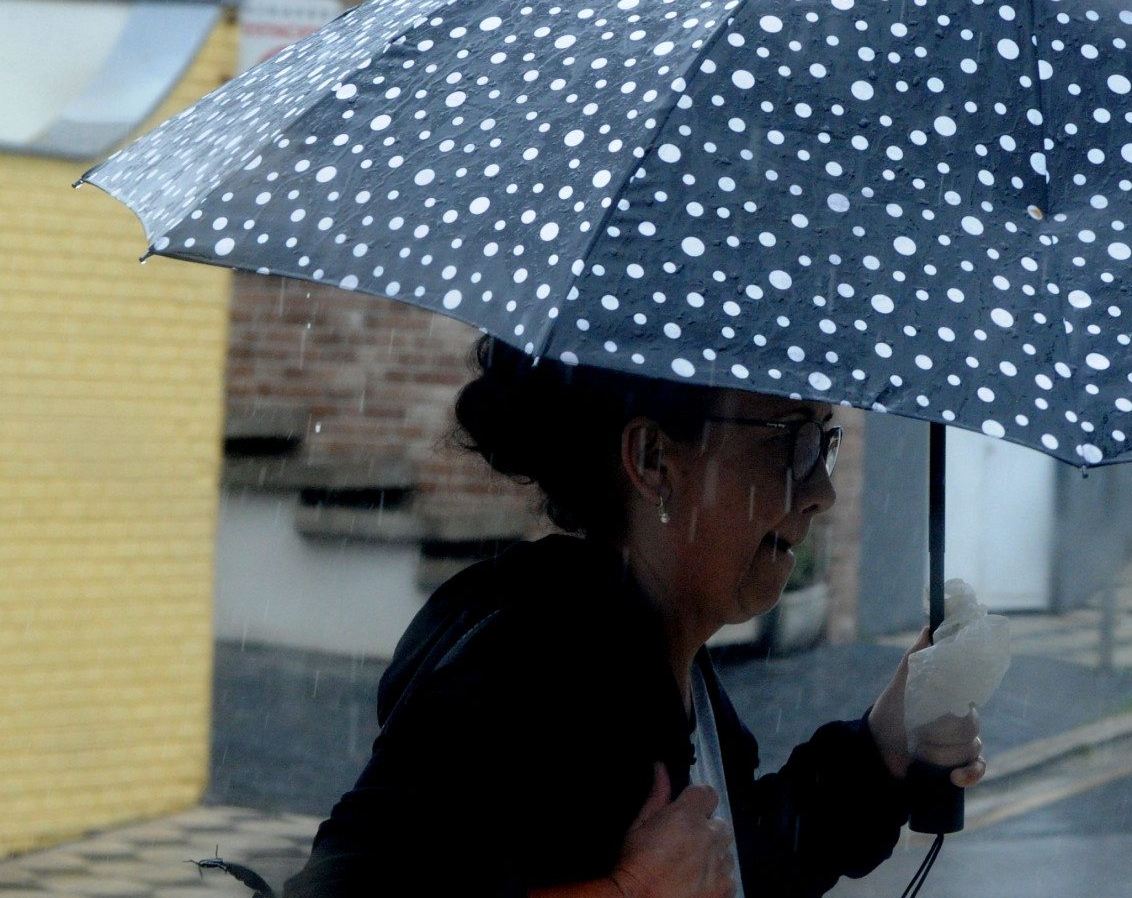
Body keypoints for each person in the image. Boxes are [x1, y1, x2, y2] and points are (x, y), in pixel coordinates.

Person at [281, 336, 985, 898]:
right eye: (789, 438)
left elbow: (737, 864)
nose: (821, 491)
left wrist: (884, 745)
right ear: (653, 459)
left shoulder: (660, 656)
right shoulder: (533, 666)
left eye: (823, 442)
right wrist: (627, 891)